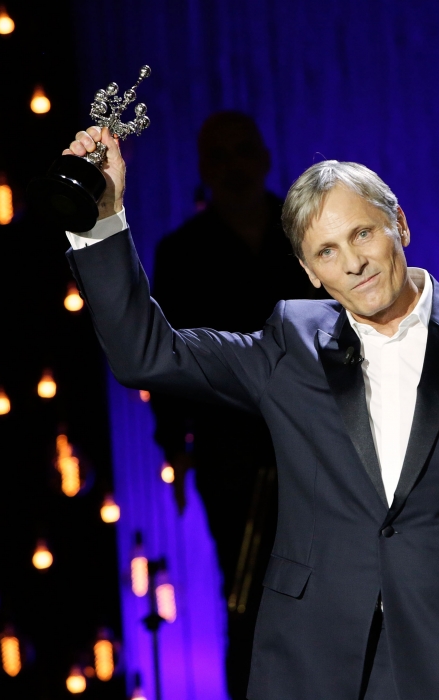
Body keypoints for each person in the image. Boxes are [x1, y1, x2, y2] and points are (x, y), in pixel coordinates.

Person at [62, 125, 439, 700]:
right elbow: (146, 355)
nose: (353, 263)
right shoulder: (291, 345)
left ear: (399, 224)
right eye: (327, 251)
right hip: (313, 662)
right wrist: (102, 218)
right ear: (309, 272)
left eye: (362, 234)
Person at [149, 112, 310, 700]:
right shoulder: (182, 253)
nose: (235, 167)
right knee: (248, 594)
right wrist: (176, 446)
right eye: (220, 156)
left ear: (264, 156)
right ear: (204, 169)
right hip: (231, 450)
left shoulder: (306, 231)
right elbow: (166, 360)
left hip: (318, 439)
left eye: (243, 151)